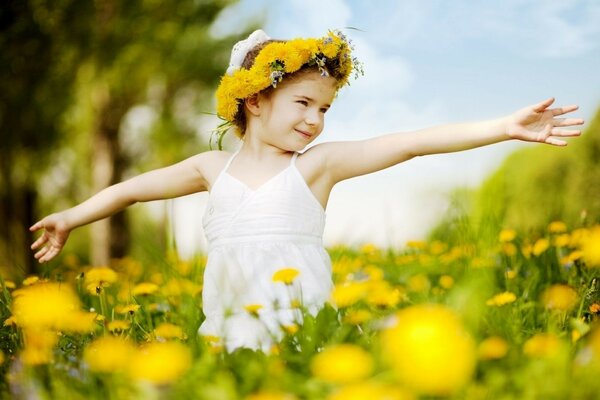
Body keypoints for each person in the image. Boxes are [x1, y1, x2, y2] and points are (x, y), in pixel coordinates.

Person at [30, 29, 584, 353]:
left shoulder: (317, 167)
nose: (316, 120)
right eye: (304, 104)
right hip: (225, 335)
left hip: (303, 332)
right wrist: (72, 217)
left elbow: (413, 142)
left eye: (324, 108)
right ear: (254, 101)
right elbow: (130, 189)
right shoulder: (209, 169)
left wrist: (502, 127)